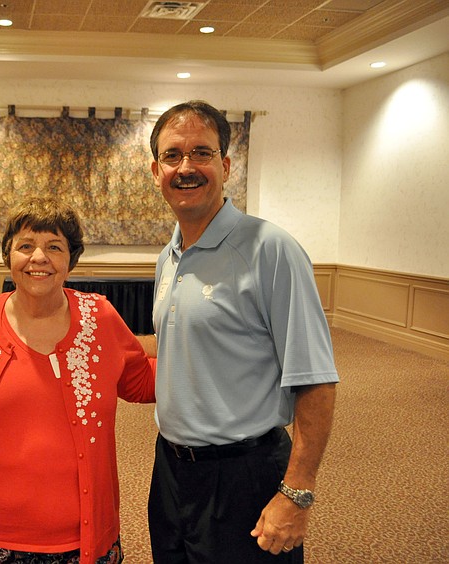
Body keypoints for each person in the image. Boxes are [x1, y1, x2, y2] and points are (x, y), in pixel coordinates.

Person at [142, 100, 339, 563]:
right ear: (156, 171)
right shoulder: (168, 257)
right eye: (173, 156)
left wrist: (297, 494)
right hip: (170, 473)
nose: (186, 167)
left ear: (226, 166)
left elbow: (315, 378)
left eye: (201, 153)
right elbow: (185, 341)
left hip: (244, 477)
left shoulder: (271, 250)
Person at [0, 197, 156, 564]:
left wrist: (216, 367)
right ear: (8, 256)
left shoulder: (100, 317)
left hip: (84, 544)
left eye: (54, 246)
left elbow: (142, 382)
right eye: (25, 246)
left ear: (71, 259)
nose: (39, 257)